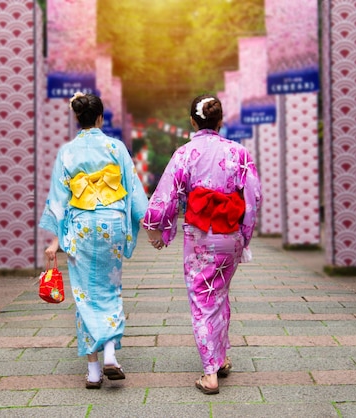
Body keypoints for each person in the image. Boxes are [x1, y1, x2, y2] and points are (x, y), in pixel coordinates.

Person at [143, 94, 262, 394]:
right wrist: (244, 235)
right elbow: (254, 196)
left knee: (203, 301)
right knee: (219, 295)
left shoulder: (185, 153)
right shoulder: (240, 153)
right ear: (220, 121)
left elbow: (168, 192)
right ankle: (220, 359)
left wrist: (155, 227)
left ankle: (209, 373)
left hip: (201, 237)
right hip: (230, 235)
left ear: (193, 121)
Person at [39, 92, 148, 389]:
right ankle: (110, 352)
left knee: (85, 295)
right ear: (100, 118)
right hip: (112, 223)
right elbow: (133, 188)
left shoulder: (68, 152)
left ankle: (93, 372)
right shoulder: (116, 147)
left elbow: (60, 199)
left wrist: (54, 241)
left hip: (81, 225)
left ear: (78, 118)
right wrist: (151, 225)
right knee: (110, 288)